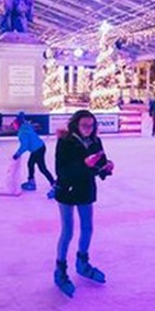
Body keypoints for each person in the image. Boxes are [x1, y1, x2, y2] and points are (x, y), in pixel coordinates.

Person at [52, 110, 114, 298]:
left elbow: (98, 165)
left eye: (91, 125)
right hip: (67, 190)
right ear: (76, 125)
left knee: (87, 228)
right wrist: (85, 164)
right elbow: (61, 170)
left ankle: (82, 263)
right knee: (68, 231)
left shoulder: (95, 142)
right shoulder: (65, 142)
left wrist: (105, 169)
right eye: (85, 125)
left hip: (86, 190)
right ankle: (60, 270)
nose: (88, 129)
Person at [12, 112, 56, 193]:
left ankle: (52, 183)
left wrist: (17, 154)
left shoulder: (22, 132)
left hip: (37, 149)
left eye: (14, 125)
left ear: (18, 125)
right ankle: (32, 181)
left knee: (41, 167)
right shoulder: (26, 127)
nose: (13, 127)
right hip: (40, 147)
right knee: (31, 164)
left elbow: (25, 145)